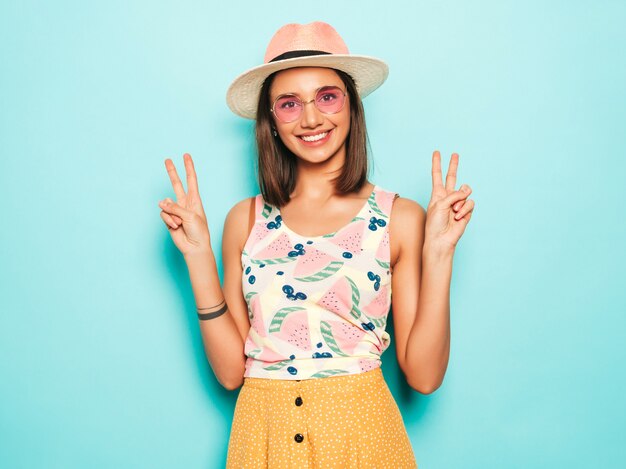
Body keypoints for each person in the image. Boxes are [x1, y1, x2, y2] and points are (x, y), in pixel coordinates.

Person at [158, 21, 474, 469]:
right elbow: (231, 373)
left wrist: (440, 252)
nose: (311, 118)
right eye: (289, 104)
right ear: (270, 121)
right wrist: (197, 258)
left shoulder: (399, 218)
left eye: (327, 96)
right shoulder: (243, 221)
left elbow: (423, 377)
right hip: (262, 437)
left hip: (362, 439)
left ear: (352, 105)